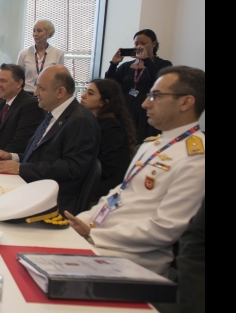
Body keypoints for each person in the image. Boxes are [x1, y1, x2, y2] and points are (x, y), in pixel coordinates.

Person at [65, 66, 205, 276]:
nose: (145, 103)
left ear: (186, 102)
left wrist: (93, 234)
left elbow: (165, 229)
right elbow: (119, 195)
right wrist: (81, 221)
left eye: (156, 96)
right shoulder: (152, 144)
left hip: (132, 260)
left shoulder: (196, 158)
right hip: (99, 240)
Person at [0, 65, 100, 214]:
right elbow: (41, 155)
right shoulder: (53, 114)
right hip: (35, 187)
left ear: (60, 92)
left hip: (52, 200)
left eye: (42, 88)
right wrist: (13, 157)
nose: (36, 93)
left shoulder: (80, 120)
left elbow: (72, 168)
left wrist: (21, 168)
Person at [105, 29, 173, 142]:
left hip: (147, 110)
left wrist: (146, 60)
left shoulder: (163, 64)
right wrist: (114, 64)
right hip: (126, 109)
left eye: (143, 43)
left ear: (154, 44)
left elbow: (160, 82)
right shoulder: (126, 66)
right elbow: (109, 85)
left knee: (143, 140)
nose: (139, 46)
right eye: (136, 43)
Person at [81, 78, 137, 201]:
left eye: (90, 93)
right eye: (85, 91)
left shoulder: (111, 126)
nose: (83, 96)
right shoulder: (93, 121)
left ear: (104, 102)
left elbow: (105, 169)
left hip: (105, 189)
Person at [0, 64, 45, 153]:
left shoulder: (30, 105)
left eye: (3, 81)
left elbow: (20, 144)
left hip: (11, 161)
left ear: (19, 83)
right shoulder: (2, 104)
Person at [16, 19, 65, 93]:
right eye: (34, 31)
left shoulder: (58, 53)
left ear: (48, 33)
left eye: (39, 31)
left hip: (47, 93)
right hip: (27, 93)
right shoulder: (24, 54)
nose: (35, 34)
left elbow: (60, 78)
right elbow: (17, 76)